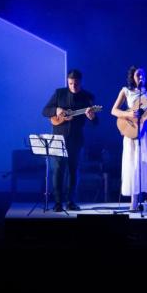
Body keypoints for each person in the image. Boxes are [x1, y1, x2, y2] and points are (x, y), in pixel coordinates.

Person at [111, 66, 147, 212]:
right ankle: (134, 201)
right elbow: (114, 110)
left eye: (143, 74)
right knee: (134, 164)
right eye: (138, 75)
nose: (141, 77)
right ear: (132, 76)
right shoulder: (125, 91)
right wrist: (129, 115)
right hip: (133, 132)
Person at [41, 69, 98, 212]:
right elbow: (45, 111)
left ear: (81, 82)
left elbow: (95, 122)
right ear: (67, 81)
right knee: (58, 170)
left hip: (76, 139)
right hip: (58, 138)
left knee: (73, 170)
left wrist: (92, 117)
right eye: (71, 83)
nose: (73, 86)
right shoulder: (59, 93)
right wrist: (57, 110)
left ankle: (71, 201)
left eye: (76, 84)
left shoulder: (87, 97)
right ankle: (58, 203)